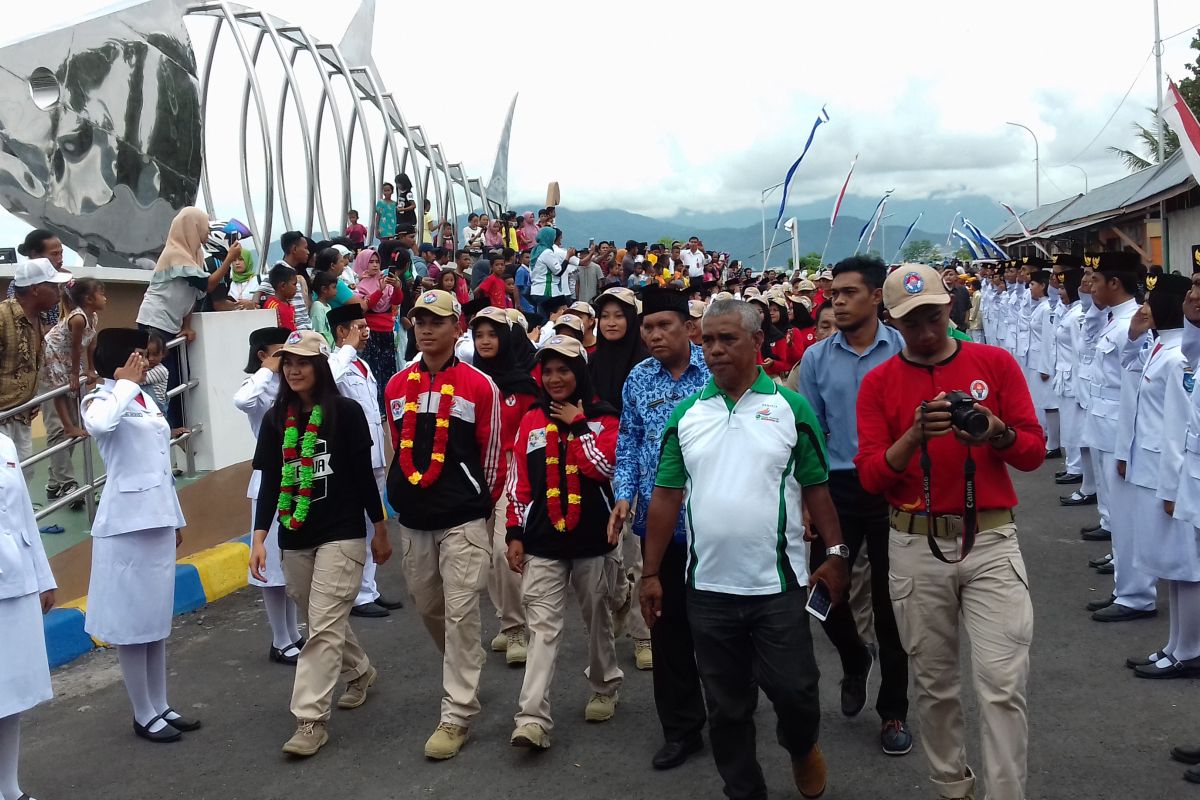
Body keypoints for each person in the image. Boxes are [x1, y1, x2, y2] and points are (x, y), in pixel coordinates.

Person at [641, 298, 844, 800]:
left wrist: (836, 554)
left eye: (727, 339)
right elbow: (666, 496)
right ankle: (744, 789)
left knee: (796, 692)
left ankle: (800, 747)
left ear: (756, 343)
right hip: (706, 589)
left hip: (777, 585)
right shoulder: (686, 415)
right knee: (727, 706)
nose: (714, 350)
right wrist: (649, 573)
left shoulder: (791, 410)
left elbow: (816, 487)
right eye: (707, 340)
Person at [854, 264, 1043, 800]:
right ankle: (950, 789)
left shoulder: (994, 364)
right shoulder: (879, 383)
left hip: (991, 539)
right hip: (915, 545)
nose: (926, 330)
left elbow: (1031, 451)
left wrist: (997, 431)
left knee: (1003, 687)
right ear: (892, 321)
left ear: (950, 309)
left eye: (934, 316)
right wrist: (913, 435)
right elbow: (870, 474)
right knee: (935, 688)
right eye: (912, 321)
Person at [250, 331, 390, 757]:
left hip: (342, 532)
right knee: (321, 619)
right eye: (287, 362)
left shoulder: (345, 413)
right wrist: (259, 539)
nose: (293, 369)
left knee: (324, 623)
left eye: (303, 362)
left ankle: (310, 720)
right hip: (294, 536)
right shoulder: (277, 420)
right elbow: (271, 481)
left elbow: (365, 476)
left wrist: (378, 527)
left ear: (320, 367)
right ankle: (361, 670)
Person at [797, 256, 911, 756]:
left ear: (876, 297)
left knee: (893, 608)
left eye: (848, 293)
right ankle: (853, 659)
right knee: (825, 596)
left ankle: (893, 713)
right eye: (833, 295)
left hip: (894, 486)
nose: (837, 302)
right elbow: (811, 436)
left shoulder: (904, 349)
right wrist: (807, 496)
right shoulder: (818, 358)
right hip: (837, 488)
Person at [383, 289, 504, 760]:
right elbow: (397, 446)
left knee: (459, 611)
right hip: (414, 521)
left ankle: (457, 713)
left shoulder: (479, 385)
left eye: (436, 321)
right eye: (419, 321)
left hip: (462, 518)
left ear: (458, 327)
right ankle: (465, 665)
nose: (427, 329)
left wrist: (484, 506)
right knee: (429, 606)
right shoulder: (395, 386)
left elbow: (491, 453)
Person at [608, 287, 710, 770]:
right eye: (647, 327)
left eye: (662, 326)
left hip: (715, 527)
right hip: (658, 528)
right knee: (666, 631)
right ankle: (682, 729)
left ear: (689, 328)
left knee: (718, 628)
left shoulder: (716, 372)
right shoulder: (638, 379)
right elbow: (628, 440)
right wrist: (624, 493)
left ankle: (734, 717)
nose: (653, 335)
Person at [504, 335, 623, 749]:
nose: (554, 378)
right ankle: (532, 717)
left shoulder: (604, 417)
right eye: (548, 370)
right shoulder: (531, 420)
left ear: (580, 372)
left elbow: (605, 468)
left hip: (593, 542)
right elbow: (519, 482)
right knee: (542, 629)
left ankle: (605, 686)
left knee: (596, 621)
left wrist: (577, 423)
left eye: (564, 370)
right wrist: (514, 532)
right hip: (542, 543)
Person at [82, 328, 197, 744]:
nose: (145, 360)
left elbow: (160, 464)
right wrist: (123, 384)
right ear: (119, 360)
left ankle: (161, 703)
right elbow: (99, 426)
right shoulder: (100, 399)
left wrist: (176, 516)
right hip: (126, 524)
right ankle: (142, 712)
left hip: (157, 518)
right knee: (134, 622)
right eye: (136, 355)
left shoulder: (144, 399)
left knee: (155, 617)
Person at [1117, 274, 1199, 678]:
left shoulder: (1179, 357)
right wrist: (1134, 335)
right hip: (1155, 470)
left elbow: (1180, 430)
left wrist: (1173, 486)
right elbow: (1128, 372)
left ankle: (1189, 649)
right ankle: (1174, 644)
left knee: (1185, 567)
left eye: (1152, 300)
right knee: (1172, 566)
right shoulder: (1164, 347)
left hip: (1174, 477)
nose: (1143, 307)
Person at [1082, 252, 1157, 621]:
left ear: (1115, 283)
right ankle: (1124, 588)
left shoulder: (1137, 323)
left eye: (1096, 280)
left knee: (1128, 517)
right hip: (1104, 425)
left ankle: (1137, 594)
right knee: (1118, 515)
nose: (1090, 286)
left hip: (1121, 430)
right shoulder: (1114, 319)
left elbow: (1135, 385)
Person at [325, 304, 405, 619]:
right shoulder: (334, 362)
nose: (366, 331)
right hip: (350, 459)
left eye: (365, 325)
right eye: (358, 326)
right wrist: (345, 349)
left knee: (374, 525)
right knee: (356, 526)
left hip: (374, 456)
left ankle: (369, 590)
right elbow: (328, 381)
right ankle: (356, 595)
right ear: (341, 332)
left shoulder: (362, 365)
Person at [469, 307, 539, 665]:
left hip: (511, 474)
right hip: (474, 476)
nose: (485, 342)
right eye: (479, 335)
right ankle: (506, 619)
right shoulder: (467, 380)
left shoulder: (523, 385)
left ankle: (516, 629)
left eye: (492, 335)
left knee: (503, 550)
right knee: (485, 559)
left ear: (506, 338)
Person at [232, 327, 303, 665]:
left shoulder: (290, 383)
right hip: (271, 483)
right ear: (263, 354)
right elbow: (242, 401)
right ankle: (279, 639)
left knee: (289, 564)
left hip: (299, 479)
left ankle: (292, 632)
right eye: (280, 351)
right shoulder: (259, 387)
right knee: (271, 566)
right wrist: (267, 369)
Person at [137, 208, 237, 429]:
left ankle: (174, 426)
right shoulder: (175, 254)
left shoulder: (194, 255)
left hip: (171, 324)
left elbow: (193, 294)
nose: (206, 231)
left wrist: (187, 325)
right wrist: (228, 260)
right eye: (202, 225)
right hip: (155, 321)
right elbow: (207, 285)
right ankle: (164, 426)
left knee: (177, 375)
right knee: (164, 376)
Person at [0, 426, 57, 800]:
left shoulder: (4, 443)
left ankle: (9, 788)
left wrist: (43, 576)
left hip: (14, 581)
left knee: (10, 695)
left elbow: (23, 516)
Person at [40, 277, 104, 506]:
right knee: (60, 406)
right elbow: (75, 347)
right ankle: (66, 483)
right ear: (88, 298)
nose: (105, 298)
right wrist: (76, 374)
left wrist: (92, 368)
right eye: (101, 294)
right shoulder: (77, 318)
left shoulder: (92, 317)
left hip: (70, 359)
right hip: (55, 354)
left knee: (78, 419)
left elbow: (90, 345)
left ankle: (55, 482)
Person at [352, 248, 404, 414]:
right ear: (362, 263)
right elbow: (366, 307)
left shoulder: (385, 279)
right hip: (371, 331)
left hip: (387, 330)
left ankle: (389, 404)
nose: (374, 265)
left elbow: (396, 301)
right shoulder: (360, 285)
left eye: (377, 262)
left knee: (388, 368)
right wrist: (379, 290)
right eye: (370, 262)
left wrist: (396, 287)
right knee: (374, 369)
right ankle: (376, 406)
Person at [264, 265, 299, 332]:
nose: (296, 288)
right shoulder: (272, 306)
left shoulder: (290, 304)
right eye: (294, 284)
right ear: (283, 286)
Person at [308, 271, 339, 346]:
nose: (336, 291)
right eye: (334, 287)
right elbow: (318, 332)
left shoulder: (328, 306)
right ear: (324, 289)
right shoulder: (317, 306)